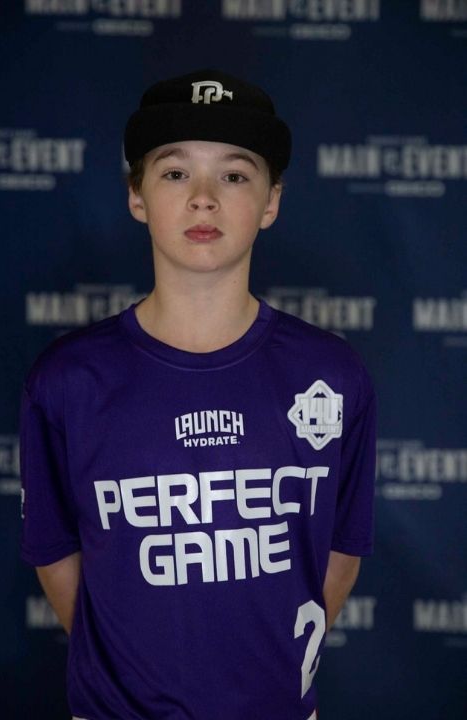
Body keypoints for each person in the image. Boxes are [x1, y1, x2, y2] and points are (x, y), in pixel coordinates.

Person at [20, 69, 376, 720]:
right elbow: (56, 554)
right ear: (137, 196)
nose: (204, 199)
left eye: (235, 175)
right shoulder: (68, 379)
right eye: (176, 172)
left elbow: (340, 553)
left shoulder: (332, 373)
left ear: (271, 202)